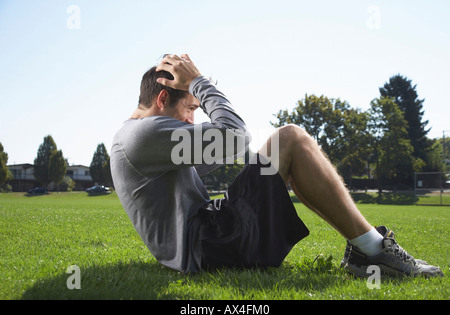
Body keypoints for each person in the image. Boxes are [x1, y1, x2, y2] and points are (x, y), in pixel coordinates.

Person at [110, 53, 443, 277]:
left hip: (212, 240)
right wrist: (198, 82)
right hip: (211, 245)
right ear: (163, 98)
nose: (193, 119)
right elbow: (236, 138)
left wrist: (264, 168)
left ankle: (365, 249)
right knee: (291, 138)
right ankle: (372, 249)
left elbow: (225, 151)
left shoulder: (134, 138)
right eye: (192, 108)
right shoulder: (145, 133)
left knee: (281, 152)